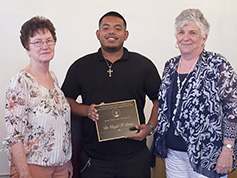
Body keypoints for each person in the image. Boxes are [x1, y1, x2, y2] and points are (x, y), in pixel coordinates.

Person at [62, 11, 161, 178]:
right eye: (106, 28)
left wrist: (150, 127)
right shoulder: (81, 66)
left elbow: (160, 100)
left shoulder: (144, 65)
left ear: (126, 34)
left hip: (134, 158)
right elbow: (65, 100)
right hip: (94, 160)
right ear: (98, 34)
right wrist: (86, 110)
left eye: (118, 28)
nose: (112, 32)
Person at [152, 8, 237, 178]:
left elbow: (233, 110)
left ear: (204, 37)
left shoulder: (217, 64)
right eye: (181, 32)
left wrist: (228, 149)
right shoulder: (170, 65)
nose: (186, 37)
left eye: (192, 32)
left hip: (208, 155)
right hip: (173, 153)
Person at [3, 16, 73, 178]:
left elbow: (60, 126)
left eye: (49, 40)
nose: (45, 46)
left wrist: (67, 160)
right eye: (37, 42)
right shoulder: (21, 81)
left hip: (61, 166)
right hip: (33, 166)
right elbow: (14, 136)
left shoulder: (53, 79)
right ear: (27, 48)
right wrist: (24, 173)